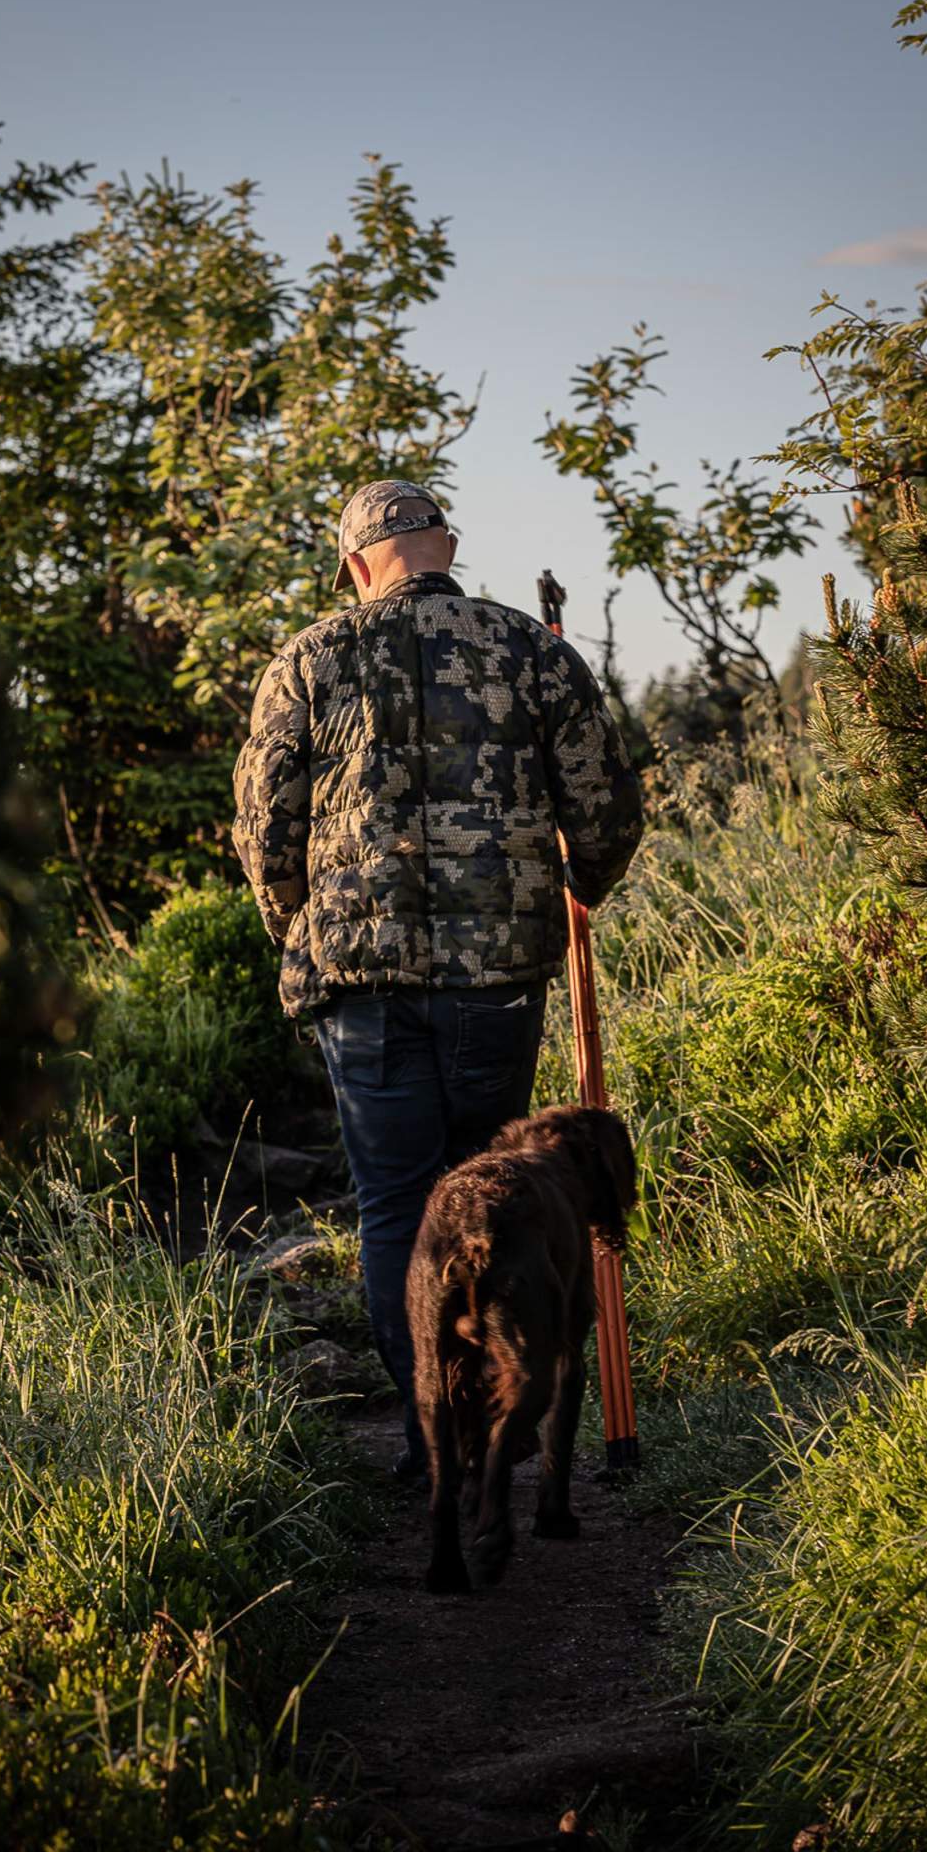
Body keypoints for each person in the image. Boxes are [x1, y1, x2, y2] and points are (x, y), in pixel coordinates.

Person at [232, 479, 643, 1474]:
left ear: (355, 563)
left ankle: (432, 1433)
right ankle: (497, 1407)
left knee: (393, 1206)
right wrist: (583, 883)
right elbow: (602, 802)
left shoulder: (306, 659)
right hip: (495, 973)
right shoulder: (530, 648)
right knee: (482, 1195)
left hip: (358, 979)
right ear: (444, 543)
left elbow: (262, 830)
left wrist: (301, 930)